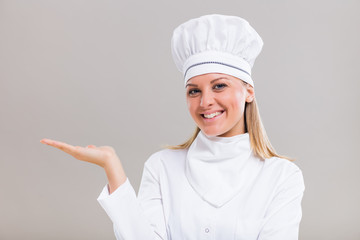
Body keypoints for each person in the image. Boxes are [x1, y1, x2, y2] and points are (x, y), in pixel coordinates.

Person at [40, 14, 305, 240]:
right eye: (193, 91)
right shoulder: (162, 167)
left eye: (219, 85)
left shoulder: (282, 177)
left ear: (248, 91)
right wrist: (112, 167)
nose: (205, 101)